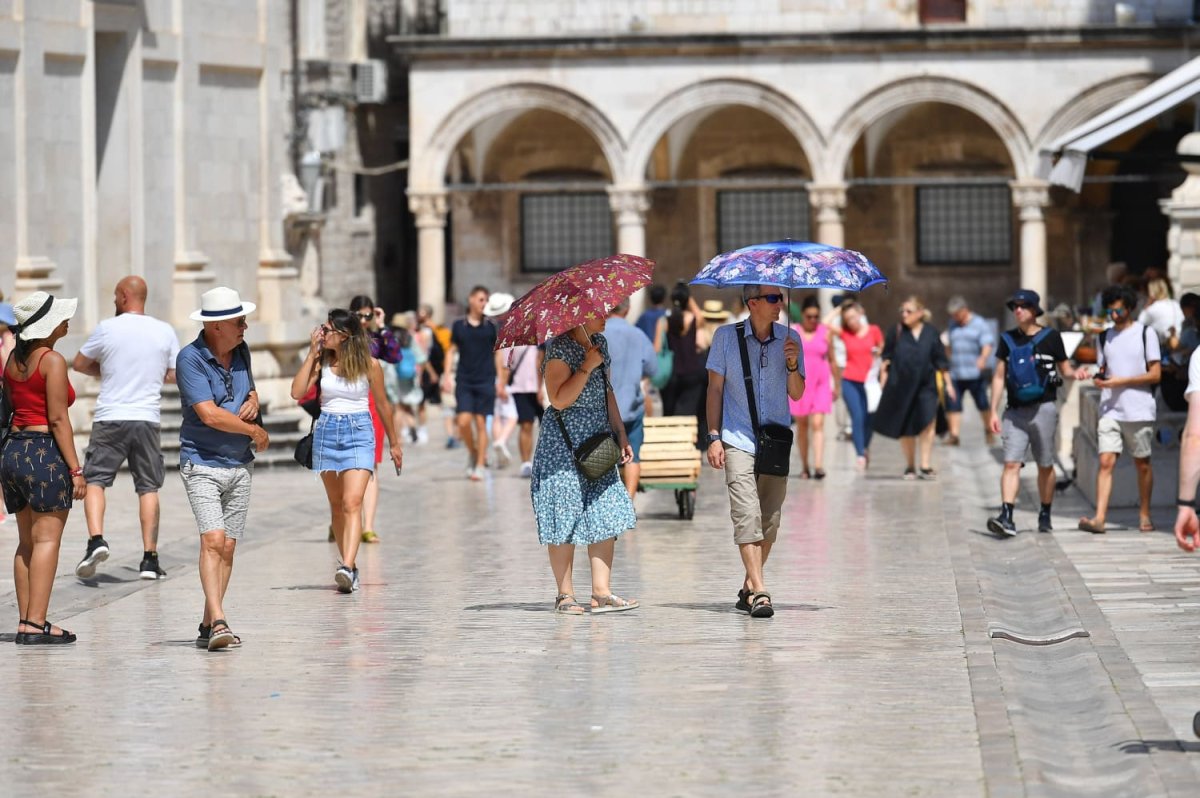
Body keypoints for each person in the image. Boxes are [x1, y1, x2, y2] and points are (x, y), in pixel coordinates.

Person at [175, 287, 269, 651]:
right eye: (238, 321)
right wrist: (254, 430)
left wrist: (255, 398)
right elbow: (209, 413)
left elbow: (248, 389)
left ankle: (206, 622)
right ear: (216, 327)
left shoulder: (241, 351)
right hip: (201, 461)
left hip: (239, 462)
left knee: (228, 547)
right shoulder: (190, 359)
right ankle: (219, 620)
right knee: (212, 540)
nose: (245, 326)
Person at [71, 276, 180, 581]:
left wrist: (107, 373)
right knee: (148, 487)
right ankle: (149, 559)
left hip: (111, 415)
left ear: (122, 296)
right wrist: (151, 376)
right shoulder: (165, 331)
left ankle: (96, 540)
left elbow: (79, 363)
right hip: (146, 416)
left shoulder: (108, 328)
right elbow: (173, 373)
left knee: (95, 480)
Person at [706, 284, 805, 619]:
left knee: (770, 521)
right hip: (738, 438)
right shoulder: (724, 338)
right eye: (774, 298)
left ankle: (749, 585)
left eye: (781, 298)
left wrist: (792, 364)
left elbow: (797, 395)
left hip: (775, 441)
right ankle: (761, 592)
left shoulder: (792, 340)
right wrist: (714, 436)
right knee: (746, 516)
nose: (781, 304)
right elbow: (715, 389)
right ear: (753, 303)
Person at [291, 309, 403, 593]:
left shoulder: (370, 365)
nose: (322, 332)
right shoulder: (322, 361)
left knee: (353, 502)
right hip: (327, 432)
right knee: (338, 506)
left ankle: (347, 565)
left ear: (344, 335)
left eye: (327, 329)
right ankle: (349, 566)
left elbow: (383, 405)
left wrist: (394, 443)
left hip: (360, 433)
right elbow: (296, 391)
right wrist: (311, 353)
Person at [533, 318, 638, 615]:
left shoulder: (599, 344)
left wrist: (621, 432)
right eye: (598, 309)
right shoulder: (559, 350)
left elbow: (608, 392)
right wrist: (587, 366)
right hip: (563, 445)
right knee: (563, 514)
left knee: (604, 510)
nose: (606, 312)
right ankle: (564, 595)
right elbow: (559, 399)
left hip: (598, 438)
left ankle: (601, 592)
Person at [5, 292, 86, 644]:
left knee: (26, 542)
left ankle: (27, 622)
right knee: (47, 539)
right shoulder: (51, 360)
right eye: (62, 317)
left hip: (11, 452)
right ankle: (37, 623)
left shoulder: (12, 360)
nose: (68, 321)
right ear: (46, 326)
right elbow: (57, 419)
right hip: (42, 454)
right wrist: (76, 470)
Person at [985, 290, 1072, 536]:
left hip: (1043, 408)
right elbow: (999, 376)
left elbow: (1065, 369)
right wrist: (993, 410)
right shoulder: (1007, 339)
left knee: (1045, 464)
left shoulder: (1051, 337)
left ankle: (1045, 512)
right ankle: (1007, 516)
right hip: (1014, 412)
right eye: (1015, 306)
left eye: (1023, 306)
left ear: (1034, 310)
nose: (1018, 310)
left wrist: (1079, 374)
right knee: (1011, 463)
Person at [1076, 284, 1161, 534]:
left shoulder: (1146, 334)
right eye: (1110, 311)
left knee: (1142, 463)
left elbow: (1155, 374)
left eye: (1119, 310)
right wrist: (1093, 376)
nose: (1114, 315)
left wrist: (1120, 381)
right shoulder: (1104, 337)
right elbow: (1105, 371)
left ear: (1130, 308)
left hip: (1138, 408)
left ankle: (1144, 513)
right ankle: (1100, 517)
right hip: (1110, 408)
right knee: (1105, 462)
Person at [873, 296, 954, 480]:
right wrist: (883, 381)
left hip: (927, 385)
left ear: (919, 313)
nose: (904, 314)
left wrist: (949, 385)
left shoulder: (931, 333)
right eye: (902, 311)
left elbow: (940, 360)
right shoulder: (896, 331)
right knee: (907, 426)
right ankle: (910, 465)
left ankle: (925, 464)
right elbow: (886, 357)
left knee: (928, 422)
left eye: (908, 311)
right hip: (901, 385)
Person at [349, 295, 400, 544]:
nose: (363, 319)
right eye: (359, 314)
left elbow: (395, 355)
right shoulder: (341, 341)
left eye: (368, 315)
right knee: (344, 469)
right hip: (346, 406)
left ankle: (367, 525)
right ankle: (343, 519)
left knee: (371, 466)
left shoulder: (376, 341)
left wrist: (382, 326)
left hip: (372, 405)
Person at [443, 286, 504, 480]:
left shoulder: (491, 326)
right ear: (470, 299)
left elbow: (498, 354)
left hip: (485, 379)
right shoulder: (459, 326)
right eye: (480, 299)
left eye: (486, 300)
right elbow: (451, 350)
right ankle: (474, 451)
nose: (483, 303)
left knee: (481, 422)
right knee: (463, 421)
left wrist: (501, 380)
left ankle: (479, 465)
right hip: (465, 380)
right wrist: (446, 376)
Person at [604, 299, 658, 498]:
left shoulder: (598, 335)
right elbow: (652, 368)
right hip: (632, 406)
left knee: (603, 458)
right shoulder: (638, 335)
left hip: (604, 409)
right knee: (633, 455)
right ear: (627, 310)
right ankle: (629, 503)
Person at [789, 296, 838, 479]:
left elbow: (832, 360)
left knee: (817, 423)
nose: (812, 320)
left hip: (821, 383)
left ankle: (818, 465)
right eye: (809, 316)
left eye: (816, 316)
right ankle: (805, 466)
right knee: (802, 426)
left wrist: (837, 385)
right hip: (801, 382)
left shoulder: (825, 332)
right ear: (802, 315)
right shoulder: (794, 332)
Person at [944, 296, 996, 447]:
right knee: (953, 404)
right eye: (952, 315)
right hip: (956, 372)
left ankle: (988, 430)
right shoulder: (952, 324)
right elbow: (949, 343)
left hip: (974, 373)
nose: (954, 317)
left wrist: (983, 358)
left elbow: (987, 343)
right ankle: (954, 435)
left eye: (956, 314)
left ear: (964, 310)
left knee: (982, 404)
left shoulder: (979, 323)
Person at [838, 301, 884, 470]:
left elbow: (883, 350)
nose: (851, 321)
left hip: (870, 382)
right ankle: (860, 455)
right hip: (850, 381)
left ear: (860, 313)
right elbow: (826, 325)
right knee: (857, 416)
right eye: (847, 319)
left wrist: (878, 352)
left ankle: (864, 447)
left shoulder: (874, 330)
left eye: (853, 316)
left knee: (870, 419)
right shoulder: (845, 333)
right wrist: (839, 309)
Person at [661, 282, 708, 417]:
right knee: (688, 413)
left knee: (670, 414)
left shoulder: (666, 321)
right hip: (692, 370)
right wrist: (688, 296)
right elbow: (700, 316)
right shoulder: (692, 318)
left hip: (673, 372)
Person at [484, 293, 518, 467]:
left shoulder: (490, 327)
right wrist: (502, 383)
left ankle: (499, 448)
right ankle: (501, 441)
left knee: (496, 415)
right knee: (512, 416)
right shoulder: (506, 330)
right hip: (499, 377)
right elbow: (504, 361)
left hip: (488, 375)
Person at [500, 343, 543, 478]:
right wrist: (501, 386)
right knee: (526, 425)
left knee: (549, 427)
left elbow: (543, 362)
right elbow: (506, 365)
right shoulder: (512, 339)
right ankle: (525, 463)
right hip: (520, 388)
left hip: (544, 388)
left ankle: (548, 462)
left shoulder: (544, 337)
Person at [1139, 277, 1184, 347]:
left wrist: (1147, 305)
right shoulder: (1176, 304)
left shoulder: (1152, 309)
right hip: (1180, 342)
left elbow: (1140, 324)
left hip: (1164, 346)